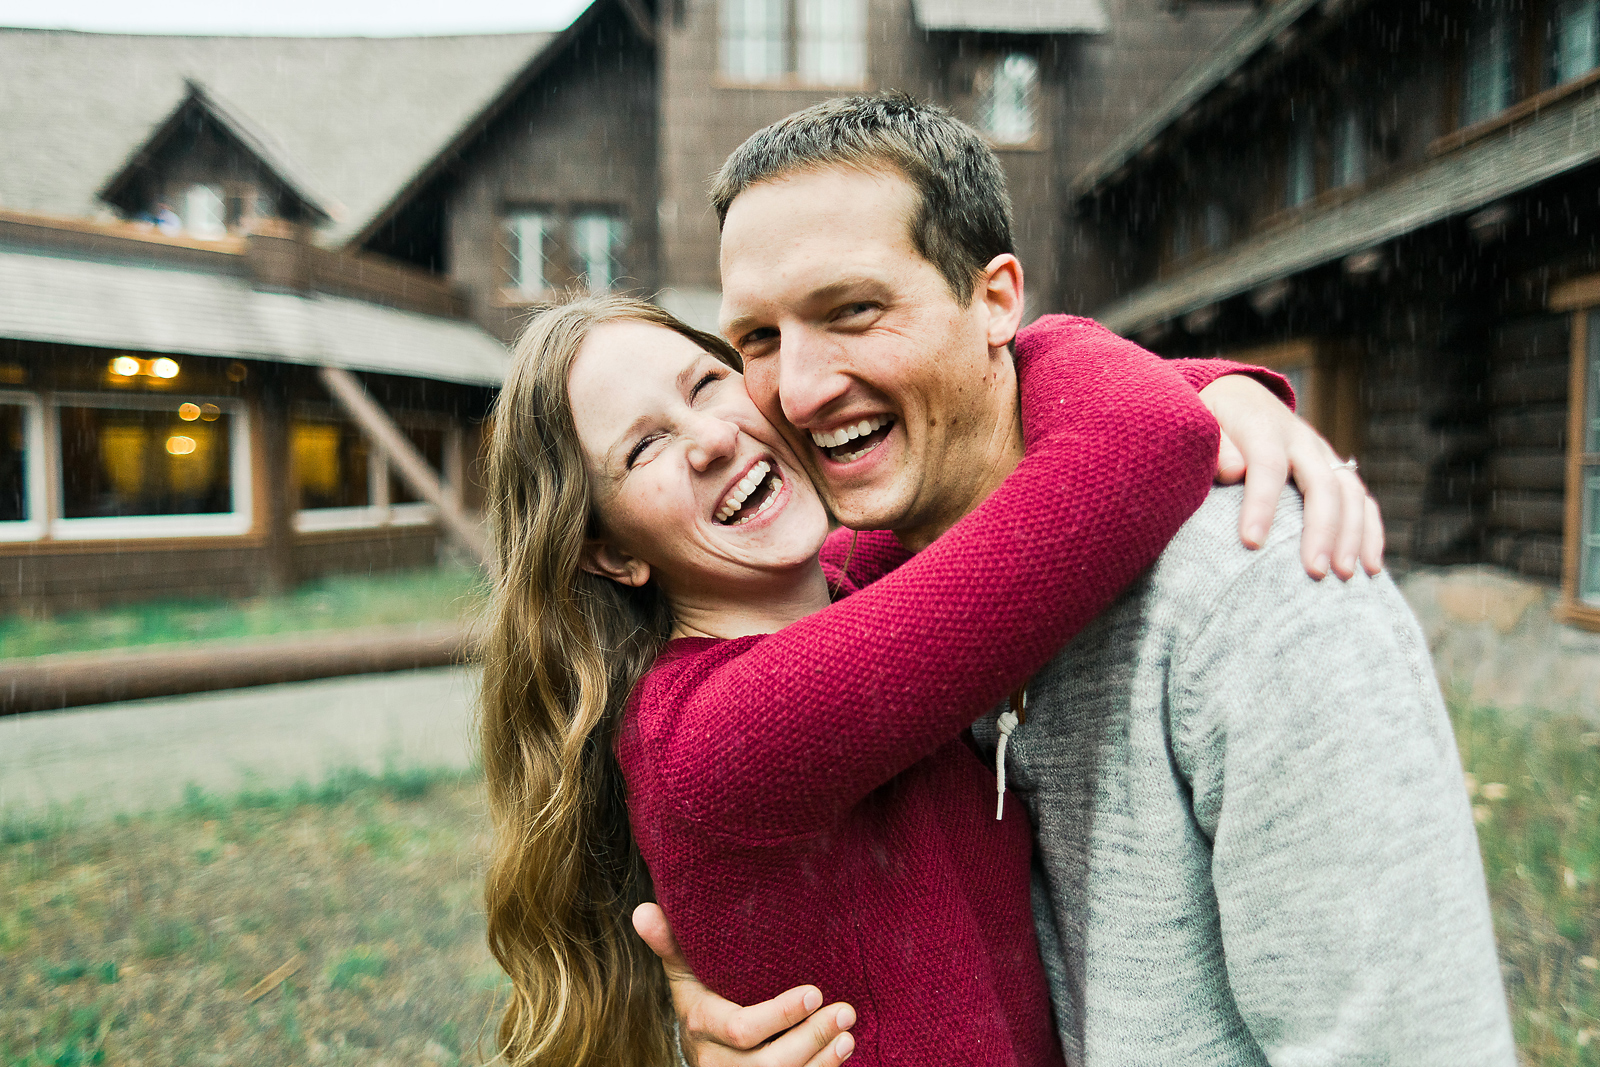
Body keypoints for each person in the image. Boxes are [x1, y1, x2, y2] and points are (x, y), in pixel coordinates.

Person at [640, 94, 1515, 1066]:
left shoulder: (1257, 591)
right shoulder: (854, 607)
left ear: (996, 301)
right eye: (756, 339)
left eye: (854, 310)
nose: (797, 389)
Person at [477, 293, 1311, 1067]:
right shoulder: (721, 729)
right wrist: (1009, 328)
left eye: (706, 383)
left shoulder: (852, 592)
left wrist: (1214, 385)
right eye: (644, 446)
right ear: (612, 552)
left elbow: (1011, 459)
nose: (711, 438)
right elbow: (1135, 450)